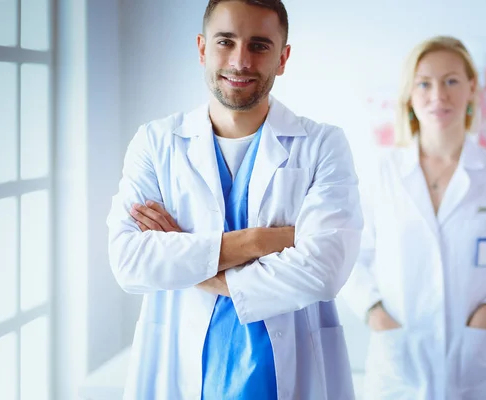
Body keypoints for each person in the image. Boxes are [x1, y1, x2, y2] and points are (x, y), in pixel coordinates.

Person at [106, 1, 363, 399]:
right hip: (182, 372)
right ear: (202, 48)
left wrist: (191, 263)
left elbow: (324, 270)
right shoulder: (156, 143)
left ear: (283, 57)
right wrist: (265, 241)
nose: (241, 61)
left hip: (288, 375)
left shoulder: (323, 145)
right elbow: (129, 262)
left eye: (260, 45)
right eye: (226, 41)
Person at [341, 36, 486, 400]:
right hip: (397, 364)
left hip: (476, 364)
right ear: (409, 95)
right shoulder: (381, 173)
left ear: (471, 88)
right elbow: (349, 259)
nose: (439, 95)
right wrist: (376, 315)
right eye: (424, 83)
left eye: (451, 80)